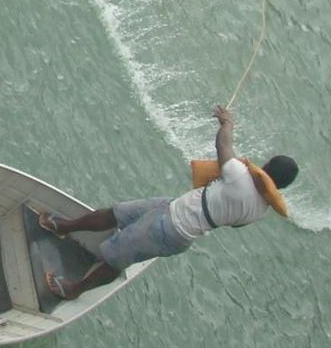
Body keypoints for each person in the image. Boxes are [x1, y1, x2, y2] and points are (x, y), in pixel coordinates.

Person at [41, 104, 298, 300]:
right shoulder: (259, 211)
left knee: (114, 260)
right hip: (173, 211)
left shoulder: (240, 177)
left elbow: (223, 145)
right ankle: (64, 227)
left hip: (171, 227)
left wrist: (227, 123)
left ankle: (75, 289)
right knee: (116, 213)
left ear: (265, 167)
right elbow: (235, 224)